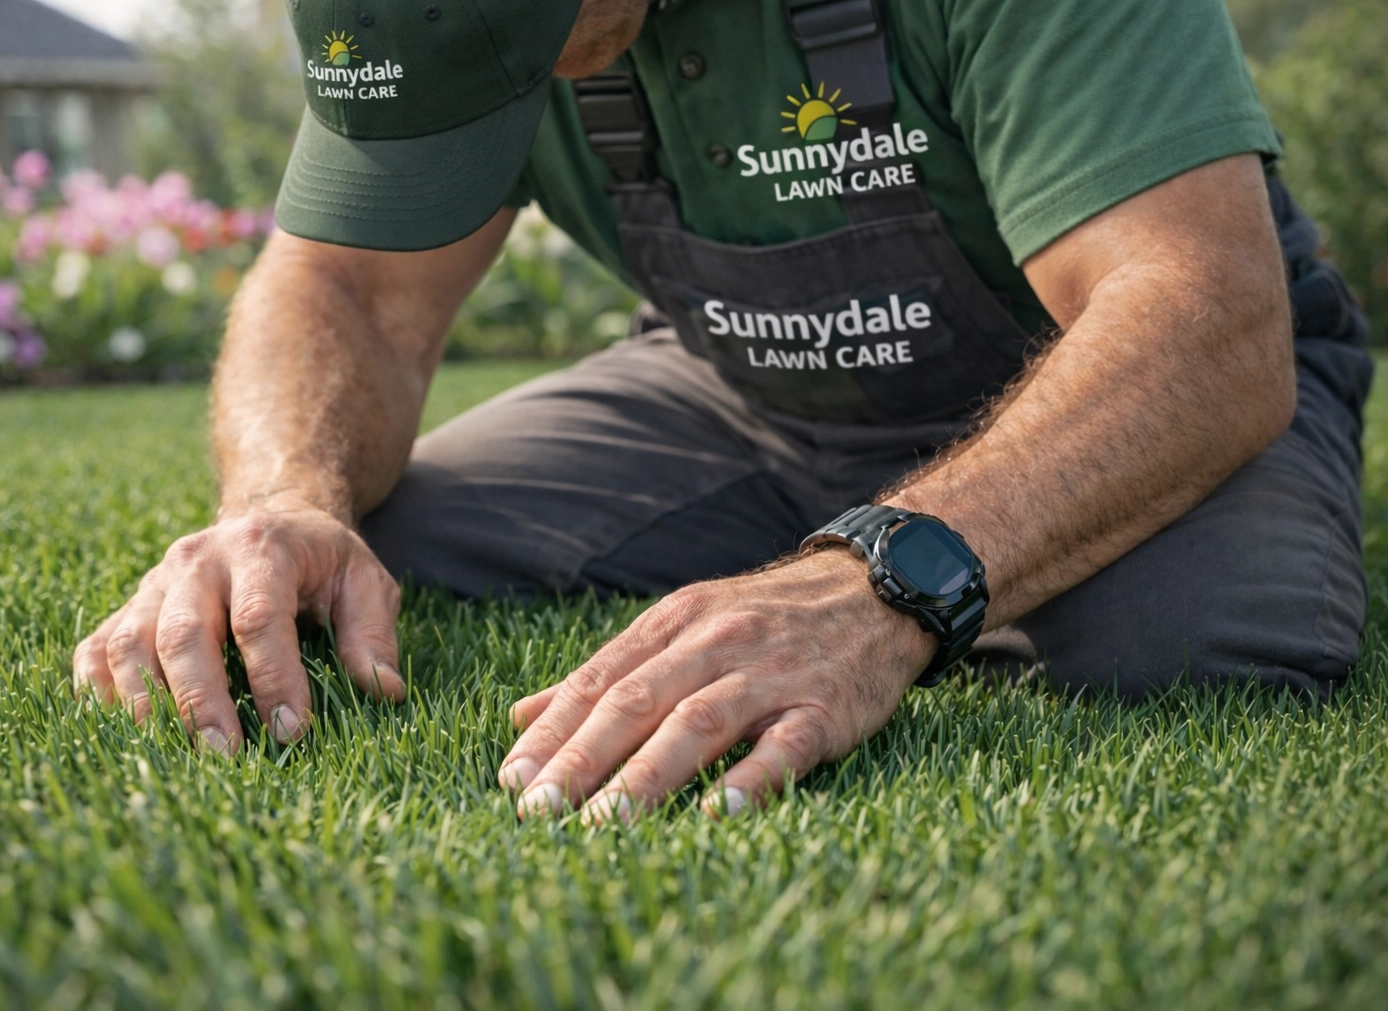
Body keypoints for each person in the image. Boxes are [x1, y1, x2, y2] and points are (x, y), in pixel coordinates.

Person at [73, 0, 1372, 822]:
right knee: (376, 547)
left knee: (1191, 641)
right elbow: (339, 280)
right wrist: (283, 499)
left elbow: (1199, 313)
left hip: (1113, 369)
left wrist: (878, 583)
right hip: (739, 388)